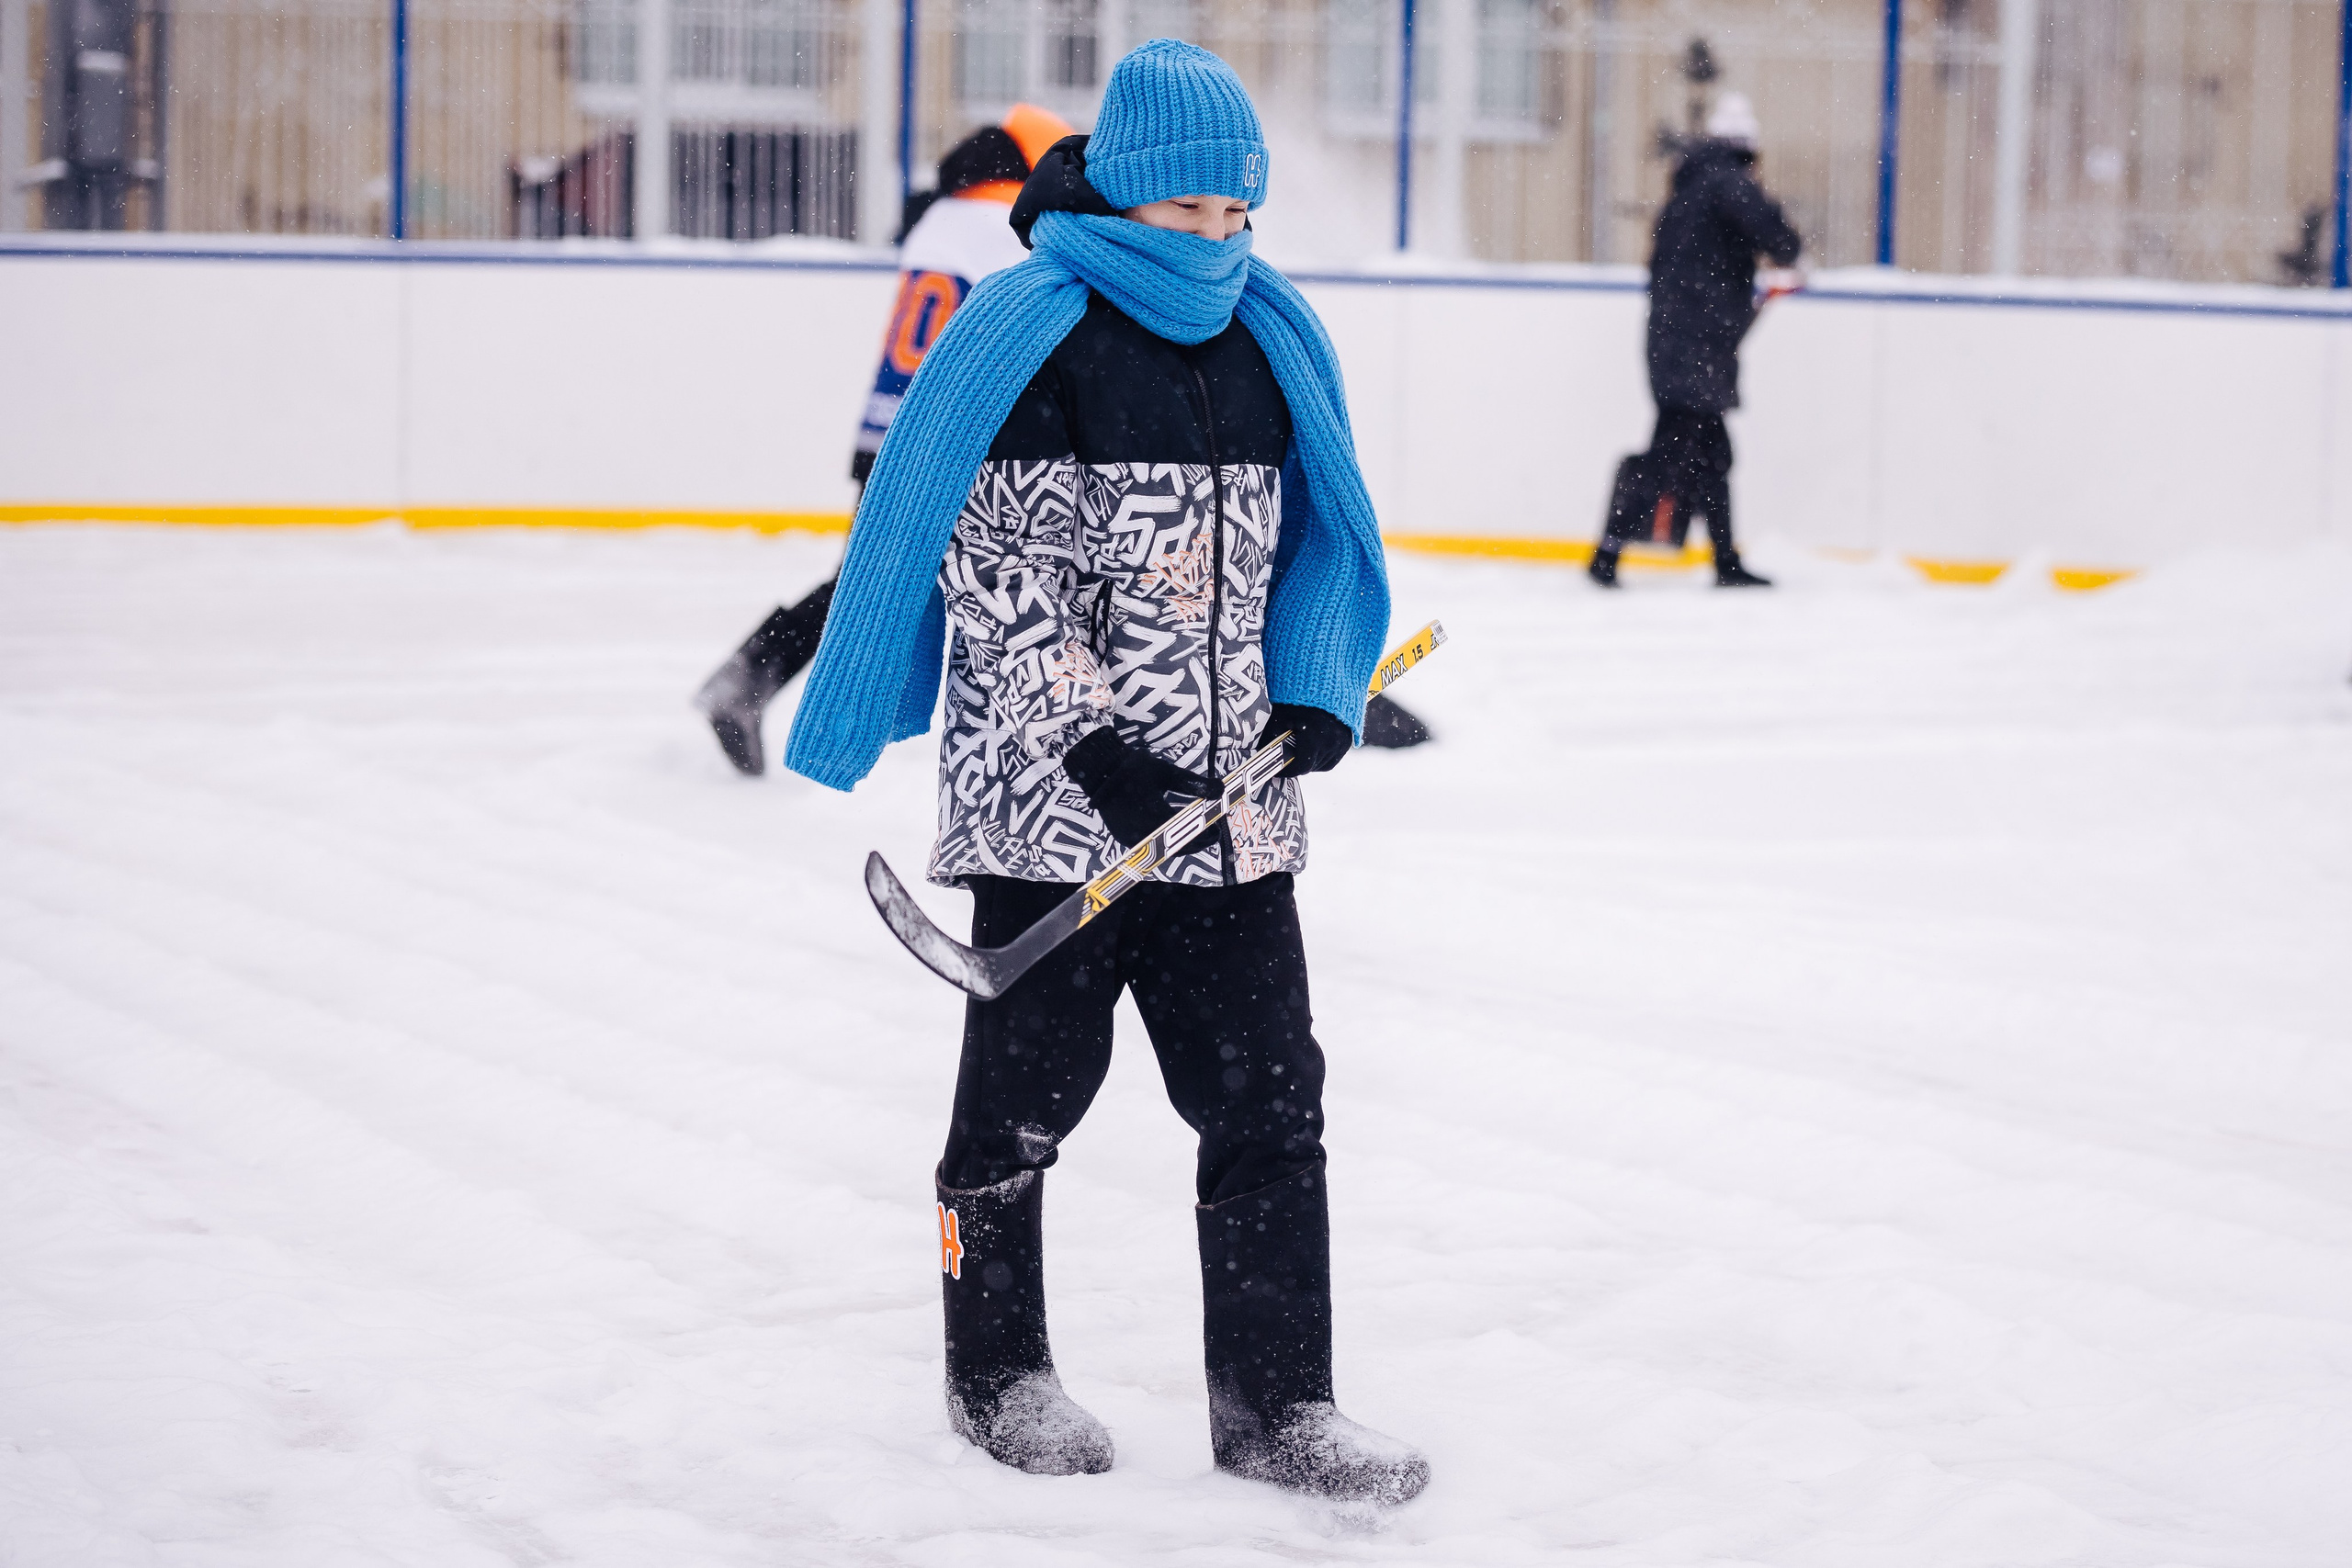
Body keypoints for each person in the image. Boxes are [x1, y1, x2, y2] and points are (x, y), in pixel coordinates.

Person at [782, 40, 1431, 1506]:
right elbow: (1001, 575)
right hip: (1052, 798)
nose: (1217, 243)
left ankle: (1278, 1403)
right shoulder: (1035, 332)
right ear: (1128, 195)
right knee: (1021, 1106)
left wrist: (1321, 694)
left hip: (1235, 806)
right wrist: (1095, 748)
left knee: (1271, 1107)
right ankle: (995, 1367)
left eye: (1237, 217)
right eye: (1190, 213)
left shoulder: (1276, 335)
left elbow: (1333, 541)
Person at [694, 105, 1074, 774]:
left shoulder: (943, 218)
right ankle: (751, 674)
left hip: (887, 426)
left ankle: (749, 674)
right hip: (939, 435)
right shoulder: (1004, 229)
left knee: (866, 583)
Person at [1589, 91, 1802, 591]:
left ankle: (1724, 561)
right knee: (1673, 452)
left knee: (1711, 453)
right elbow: (1781, 240)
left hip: (1681, 345)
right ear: (1746, 152)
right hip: (1694, 350)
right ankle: (1606, 555)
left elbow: (1692, 275)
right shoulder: (1725, 183)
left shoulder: (1687, 194)